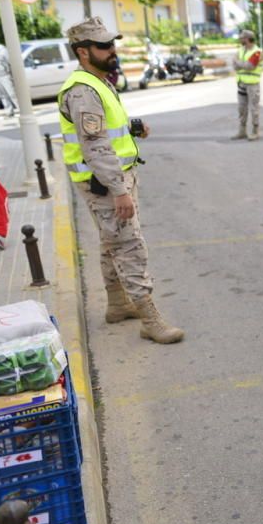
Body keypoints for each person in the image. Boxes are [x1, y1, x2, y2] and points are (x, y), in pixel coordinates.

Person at [58, 17, 184, 344]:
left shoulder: (99, 81)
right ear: (83, 52)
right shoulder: (83, 90)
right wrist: (118, 190)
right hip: (104, 183)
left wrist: (131, 128)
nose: (112, 49)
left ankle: (117, 305)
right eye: (103, 45)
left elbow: (103, 131)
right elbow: (94, 145)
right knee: (129, 245)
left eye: (112, 42)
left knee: (110, 241)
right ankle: (149, 319)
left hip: (113, 178)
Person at [232, 29, 263, 140]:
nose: (240, 40)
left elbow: (250, 66)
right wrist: (241, 64)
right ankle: (242, 131)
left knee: (254, 108)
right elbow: (235, 66)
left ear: (247, 39)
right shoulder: (240, 51)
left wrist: (238, 62)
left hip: (252, 85)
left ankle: (255, 131)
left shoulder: (257, 52)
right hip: (241, 83)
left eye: (242, 38)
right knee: (241, 108)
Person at [0, 37, 18, 118]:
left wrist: (11, 73)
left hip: (5, 75)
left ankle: (22, 110)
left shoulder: (2, 50)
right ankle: (9, 112)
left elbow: (10, 61)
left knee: (12, 94)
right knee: (3, 95)